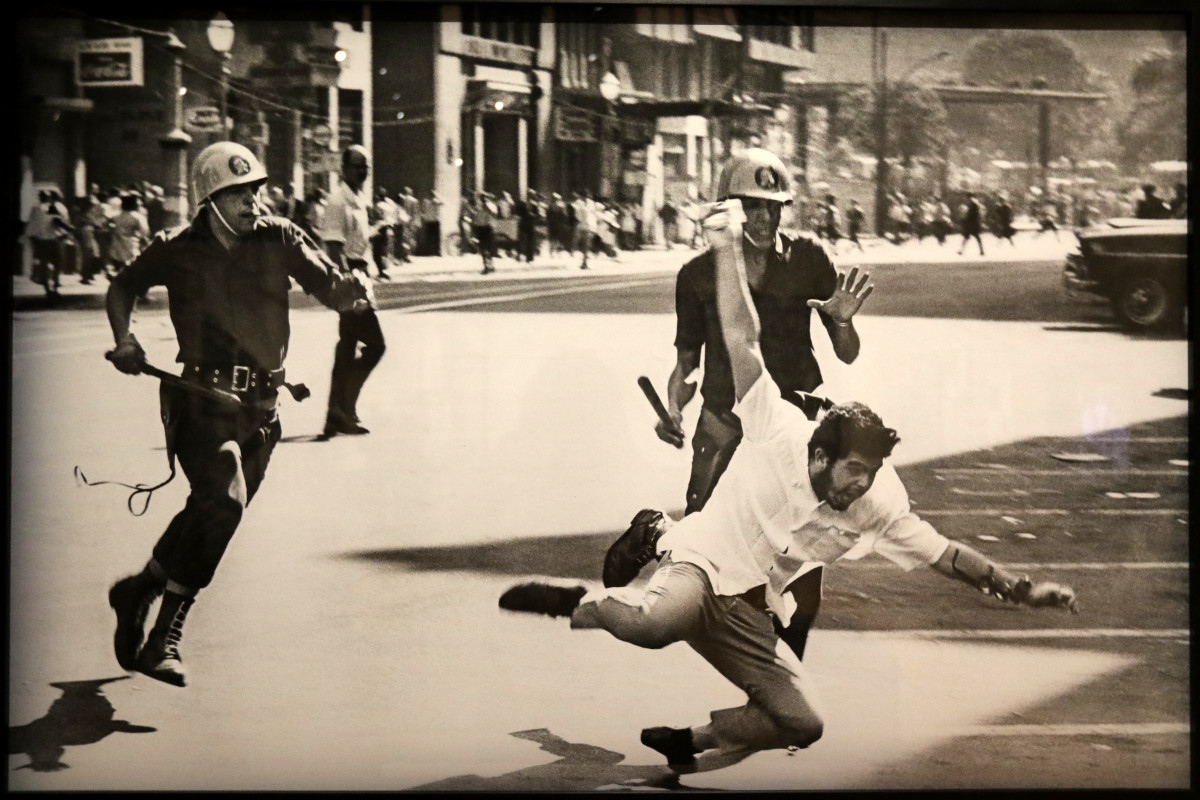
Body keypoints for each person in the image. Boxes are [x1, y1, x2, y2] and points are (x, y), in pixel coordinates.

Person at [498, 197, 1079, 769]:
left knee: (805, 722)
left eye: (870, 475)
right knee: (654, 625)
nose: (860, 488)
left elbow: (946, 555)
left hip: (752, 605)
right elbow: (739, 337)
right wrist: (724, 245)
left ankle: (690, 742)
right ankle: (584, 597)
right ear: (820, 456)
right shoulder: (776, 428)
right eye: (853, 472)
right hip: (703, 567)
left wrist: (1020, 588)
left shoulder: (878, 501)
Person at [103, 141, 368, 687]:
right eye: (239, 193)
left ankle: (141, 588)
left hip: (263, 411)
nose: (254, 202)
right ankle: (163, 640)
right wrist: (125, 340)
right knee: (224, 503)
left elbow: (328, 285)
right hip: (200, 401)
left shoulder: (279, 236)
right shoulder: (176, 246)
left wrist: (354, 293)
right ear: (209, 198)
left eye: (256, 190)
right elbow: (123, 286)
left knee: (209, 510)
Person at [646, 147, 870, 518]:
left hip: (797, 425)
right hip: (724, 422)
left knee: (799, 541)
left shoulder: (810, 258)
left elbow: (847, 352)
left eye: (774, 207)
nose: (766, 218)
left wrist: (843, 323)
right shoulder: (697, 275)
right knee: (703, 533)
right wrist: (673, 407)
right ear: (727, 210)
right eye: (752, 207)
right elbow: (687, 363)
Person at [319, 145, 388, 439]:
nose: (363, 171)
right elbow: (334, 249)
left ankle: (338, 413)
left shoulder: (358, 199)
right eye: (358, 166)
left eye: (366, 166)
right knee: (375, 345)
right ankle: (343, 406)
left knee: (347, 347)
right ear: (344, 169)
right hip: (351, 280)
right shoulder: (337, 201)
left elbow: (356, 242)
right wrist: (349, 288)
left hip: (361, 275)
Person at [473, 191, 498, 274]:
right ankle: (487, 266)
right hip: (480, 228)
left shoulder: (490, 205)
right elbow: (476, 216)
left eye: (482, 197)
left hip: (487, 228)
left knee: (487, 248)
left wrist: (485, 205)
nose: (480, 199)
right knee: (483, 248)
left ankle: (489, 266)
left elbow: (494, 213)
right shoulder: (478, 206)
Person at [956, 191, 985, 256]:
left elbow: (970, 214)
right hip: (975, 222)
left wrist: (965, 219)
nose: (965, 199)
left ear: (968, 196)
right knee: (976, 237)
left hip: (971, 223)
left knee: (967, 237)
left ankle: (961, 250)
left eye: (966, 197)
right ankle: (981, 250)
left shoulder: (972, 203)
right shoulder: (976, 203)